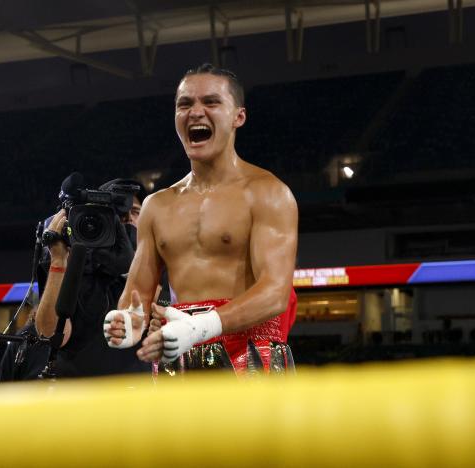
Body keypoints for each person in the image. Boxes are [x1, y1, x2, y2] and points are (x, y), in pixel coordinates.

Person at [104, 64, 299, 376]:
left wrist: (201, 326)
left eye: (211, 102)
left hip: (249, 351)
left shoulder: (267, 193)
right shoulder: (157, 205)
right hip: (177, 350)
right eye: (185, 104)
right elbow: (138, 291)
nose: (195, 112)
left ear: (239, 117)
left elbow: (275, 292)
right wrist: (129, 320)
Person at [18, 178, 151, 378]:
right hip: (83, 395)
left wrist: (132, 267)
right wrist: (58, 262)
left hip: (141, 396)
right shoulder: (75, 269)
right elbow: (50, 334)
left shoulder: (157, 265)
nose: (127, 220)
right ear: (102, 219)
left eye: (135, 212)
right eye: (119, 214)